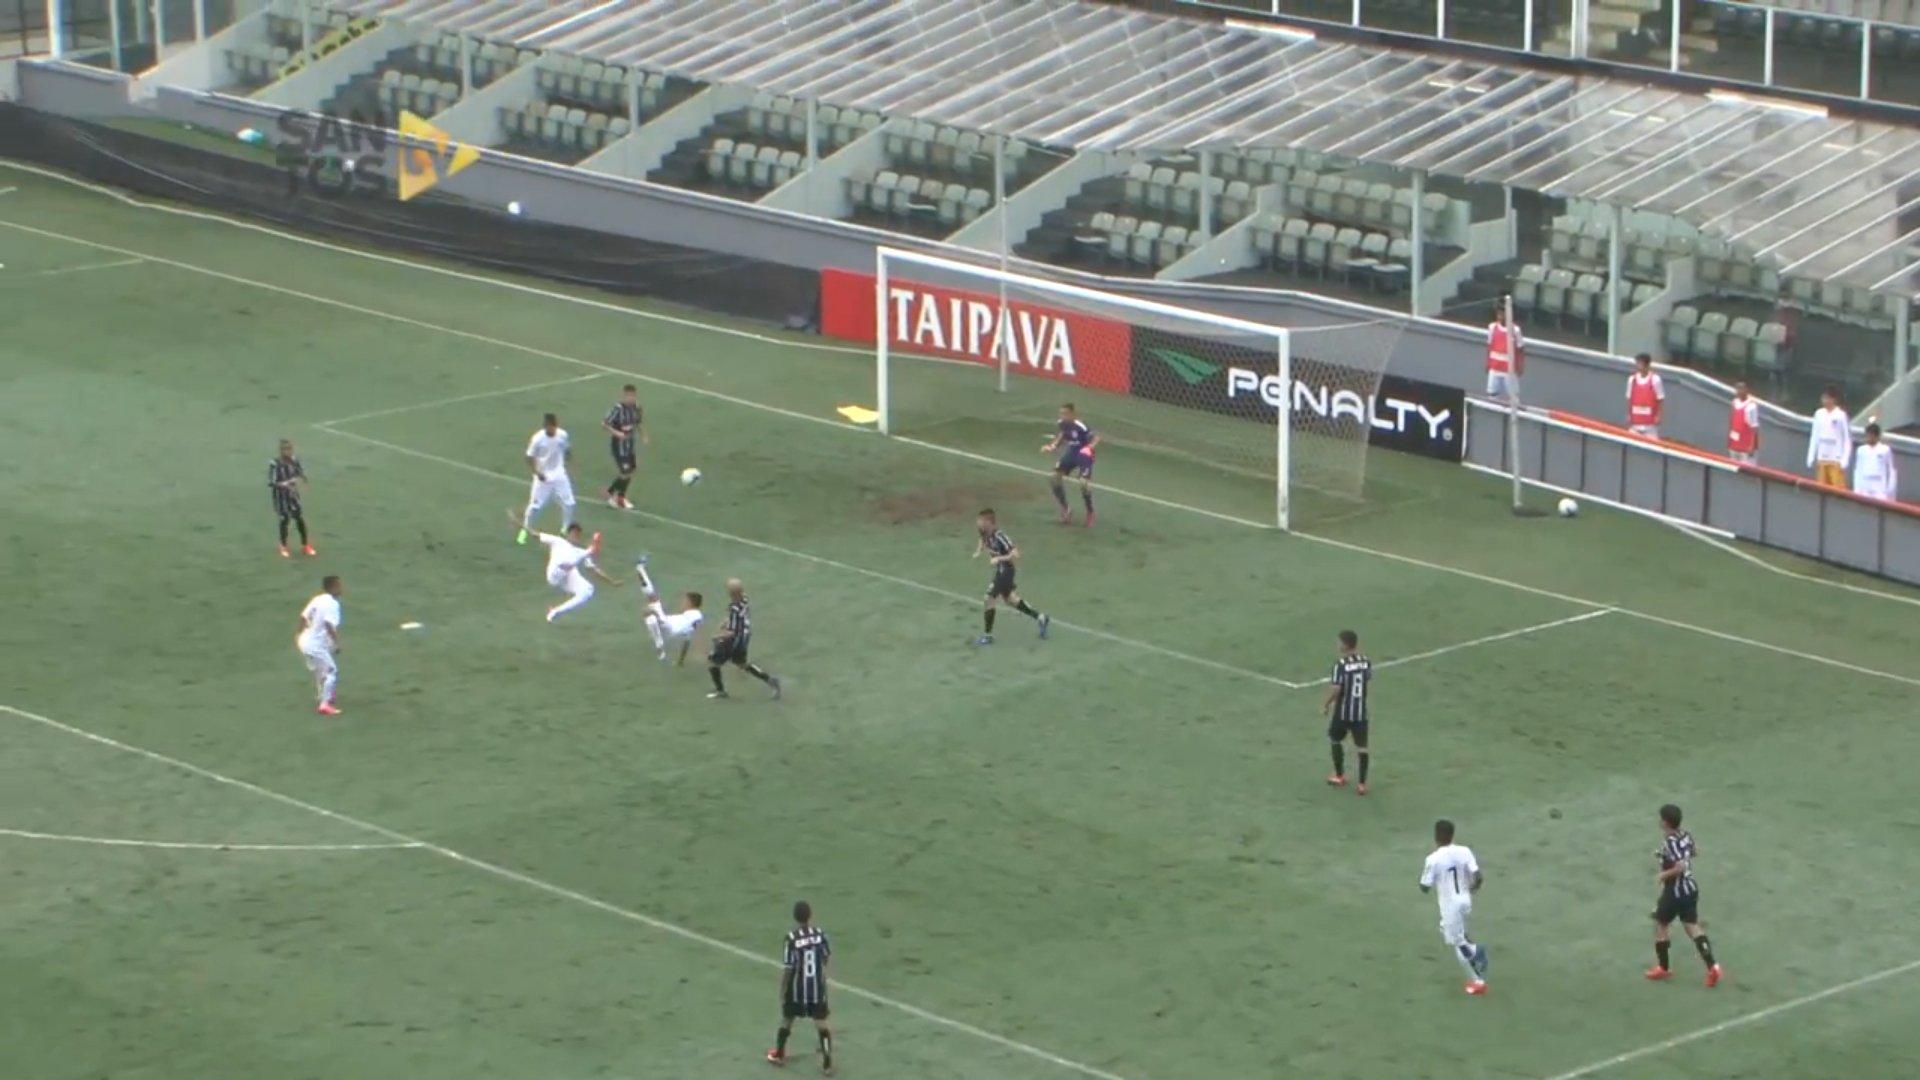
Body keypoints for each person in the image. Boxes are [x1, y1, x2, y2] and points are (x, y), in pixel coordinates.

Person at [1646, 803, 1724, 987]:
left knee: (1661, 924)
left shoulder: (1670, 841)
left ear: (1665, 822)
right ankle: (1713, 967)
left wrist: (1662, 875)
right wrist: (1664, 855)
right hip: (1690, 888)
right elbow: (1694, 851)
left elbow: (1680, 867)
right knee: (1692, 927)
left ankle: (1663, 968)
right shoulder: (1685, 835)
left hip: (1675, 891)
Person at [509, 510, 618, 622]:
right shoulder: (558, 541)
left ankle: (555, 611)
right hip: (554, 575)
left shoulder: (579, 552)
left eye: (577, 534)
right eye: (573, 533)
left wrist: (612, 581)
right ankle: (582, 555)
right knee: (573, 560)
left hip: (568, 575)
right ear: (568, 534)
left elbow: (593, 569)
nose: (575, 536)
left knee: (588, 590)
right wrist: (518, 523)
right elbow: (535, 534)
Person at [1419, 819, 1487, 996]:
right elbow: (1478, 877)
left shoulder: (1433, 859)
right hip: (1465, 900)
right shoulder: (1464, 851)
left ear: (1437, 836)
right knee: (1449, 929)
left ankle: (1477, 980)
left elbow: (1424, 887)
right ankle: (1471, 949)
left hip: (1450, 906)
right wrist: (1471, 889)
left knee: (1457, 943)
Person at [766, 900, 833, 1074]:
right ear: (810, 915)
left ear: (795, 917)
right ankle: (827, 1064)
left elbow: (789, 968)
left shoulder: (791, 939)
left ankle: (779, 1054)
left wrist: (783, 990)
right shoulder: (820, 934)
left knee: (788, 1019)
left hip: (798, 989)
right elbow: (825, 957)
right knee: (822, 1024)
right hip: (817, 989)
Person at [972, 509, 1049, 646]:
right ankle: (1041, 618)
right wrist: (978, 551)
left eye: (981, 521)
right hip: (1000, 571)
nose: (979, 524)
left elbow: (1016, 554)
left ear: (989, 522)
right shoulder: (985, 533)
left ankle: (988, 636)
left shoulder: (1001, 537)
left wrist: (999, 559)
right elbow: (981, 540)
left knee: (988, 599)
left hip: (1006, 571)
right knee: (1011, 600)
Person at [708, 578, 781, 700]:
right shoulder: (744, 600)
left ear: (731, 593)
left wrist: (717, 637)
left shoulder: (734, 609)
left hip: (734, 640)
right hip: (744, 637)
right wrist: (728, 621)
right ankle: (770, 680)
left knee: (714, 664)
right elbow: (740, 618)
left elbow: (732, 632)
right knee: (741, 663)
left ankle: (720, 691)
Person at [1322, 629, 1373, 794]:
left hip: (1343, 712)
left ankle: (1339, 775)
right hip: (1360, 712)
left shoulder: (1340, 665)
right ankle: (1362, 784)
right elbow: (1366, 680)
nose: (1337, 645)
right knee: (1362, 747)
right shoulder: (1365, 661)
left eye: (1339, 642)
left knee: (1335, 739)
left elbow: (1337, 689)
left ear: (1345, 645)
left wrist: (1327, 704)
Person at [518, 412, 575, 543]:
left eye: (554, 426)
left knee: (569, 503)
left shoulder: (562, 435)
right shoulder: (537, 439)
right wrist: (537, 473)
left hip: (559, 474)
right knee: (535, 506)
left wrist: (569, 466)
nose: (553, 429)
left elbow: (567, 450)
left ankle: (565, 530)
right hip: (543, 476)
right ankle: (524, 530)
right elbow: (529, 457)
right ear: (545, 426)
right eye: (550, 427)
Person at [634, 557, 703, 663]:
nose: (683, 603)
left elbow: (670, 627)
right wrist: (681, 660)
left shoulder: (691, 616)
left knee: (650, 609)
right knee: (652, 601)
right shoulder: (695, 618)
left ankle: (659, 645)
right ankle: (640, 569)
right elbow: (686, 641)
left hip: (667, 625)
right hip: (669, 625)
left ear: (691, 603)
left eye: (685, 601)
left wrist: (656, 614)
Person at [1041, 402, 1099, 526]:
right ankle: (1066, 510)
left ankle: (1090, 512)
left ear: (1073, 414)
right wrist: (1052, 446)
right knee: (1054, 478)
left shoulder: (1080, 426)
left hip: (1084, 454)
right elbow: (1063, 435)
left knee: (1084, 483)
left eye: (1065, 414)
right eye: (1061, 413)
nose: (1063, 416)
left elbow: (1096, 438)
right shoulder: (1062, 423)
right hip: (1072, 452)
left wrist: (1089, 448)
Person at [296, 575, 343, 715]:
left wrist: (297, 634)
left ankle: (322, 695)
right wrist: (337, 643)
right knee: (331, 671)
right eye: (339, 585)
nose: (342, 588)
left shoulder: (317, 599)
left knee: (320, 671)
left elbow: (303, 616)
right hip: (315, 645)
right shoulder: (333, 604)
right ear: (333, 587)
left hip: (304, 642)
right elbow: (329, 624)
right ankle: (325, 704)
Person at [269, 439, 316, 558]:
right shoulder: (275, 464)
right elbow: (271, 482)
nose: (288, 451)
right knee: (285, 520)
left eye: (289, 449)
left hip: (293, 495)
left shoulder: (294, 460)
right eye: (285, 449)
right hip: (281, 497)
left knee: (299, 518)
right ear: (281, 451)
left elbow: (300, 472)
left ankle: (305, 545)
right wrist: (286, 484)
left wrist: (303, 478)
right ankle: (283, 546)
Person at [602, 384, 646, 509]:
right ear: (623, 396)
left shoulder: (637, 408)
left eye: (633, 396)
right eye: (629, 396)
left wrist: (643, 435)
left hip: (630, 444)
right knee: (625, 472)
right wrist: (617, 433)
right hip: (618, 446)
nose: (631, 399)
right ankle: (610, 493)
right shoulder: (617, 409)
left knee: (632, 469)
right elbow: (604, 424)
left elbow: (638, 423)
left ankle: (620, 497)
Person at [1806, 387, 1851, 489]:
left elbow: (1847, 439)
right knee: (1821, 487)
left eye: (1827, 398)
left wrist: (1845, 459)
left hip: (1835, 458)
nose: (1825, 401)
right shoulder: (1819, 414)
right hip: (1822, 457)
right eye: (1823, 398)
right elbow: (1815, 435)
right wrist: (1811, 456)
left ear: (1833, 399)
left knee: (1837, 488)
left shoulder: (1841, 415)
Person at [1485, 294, 1523, 401]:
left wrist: (1520, 366)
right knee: (1492, 394)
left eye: (1501, 313)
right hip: (1494, 368)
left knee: (1513, 397)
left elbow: (1520, 350)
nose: (1499, 315)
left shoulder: (1515, 330)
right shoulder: (1492, 327)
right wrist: (1488, 363)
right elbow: (1489, 346)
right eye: (1498, 313)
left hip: (1509, 370)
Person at [1852, 422, 1899, 501]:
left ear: (1877, 436)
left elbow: (1891, 471)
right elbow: (1858, 470)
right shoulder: (1861, 450)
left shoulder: (1885, 450)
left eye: (1872, 435)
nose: (1869, 437)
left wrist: (1890, 492)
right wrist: (1857, 490)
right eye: (1868, 435)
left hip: (1879, 487)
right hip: (1865, 485)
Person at [1625, 353, 1665, 438]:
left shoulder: (1655, 380)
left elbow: (1660, 399)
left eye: (1640, 363)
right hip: (1635, 423)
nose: (1638, 366)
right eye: (1637, 363)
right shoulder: (1632, 380)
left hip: (1650, 424)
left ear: (1647, 365)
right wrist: (1629, 414)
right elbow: (1629, 398)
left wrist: (1658, 416)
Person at [1726, 381, 1761, 464]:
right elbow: (1732, 423)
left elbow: (1754, 428)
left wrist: (1751, 446)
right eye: (1737, 389)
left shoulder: (1751, 406)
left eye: (1741, 389)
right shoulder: (1734, 402)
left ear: (1746, 390)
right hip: (1734, 445)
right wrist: (1730, 442)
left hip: (1746, 447)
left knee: (1747, 470)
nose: (1738, 391)